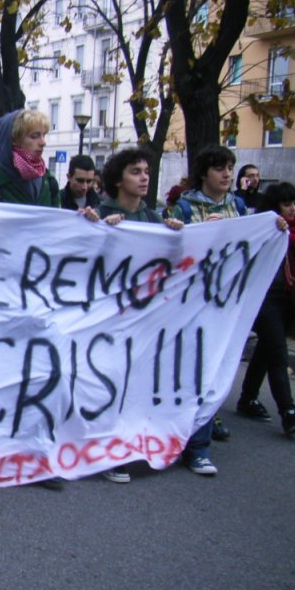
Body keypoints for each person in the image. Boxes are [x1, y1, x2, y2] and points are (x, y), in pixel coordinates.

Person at [167, 145, 281, 470]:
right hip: (190, 304)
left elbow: (254, 243)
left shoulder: (239, 206)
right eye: (220, 168)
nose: (228, 175)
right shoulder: (185, 208)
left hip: (226, 304)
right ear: (205, 173)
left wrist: (274, 231)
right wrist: (197, 233)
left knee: (212, 368)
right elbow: (170, 251)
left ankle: (200, 443)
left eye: (231, 168)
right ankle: (186, 440)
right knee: (189, 372)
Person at [97, 147, 184, 482]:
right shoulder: (102, 214)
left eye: (146, 171)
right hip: (110, 319)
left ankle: (136, 443)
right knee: (110, 384)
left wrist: (175, 236)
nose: (144, 177)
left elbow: (172, 264)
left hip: (145, 319)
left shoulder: (153, 219)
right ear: (118, 179)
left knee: (138, 384)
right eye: (135, 171)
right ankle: (109, 452)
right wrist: (101, 231)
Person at [235, 182, 295, 437]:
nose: (292, 209)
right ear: (274, 207)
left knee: (266, 350)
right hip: (264, 299)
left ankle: (247, 399)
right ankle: (289, 411)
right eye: (286, 204)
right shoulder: (263, 227)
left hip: (288, 298)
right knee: (277, 354)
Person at [0, 109, 61, 208]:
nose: (43, 143)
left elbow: (60, 221)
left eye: (43, 135)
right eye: (34, 136)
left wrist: (79, 217)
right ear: (13, 140)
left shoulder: (49, 183)